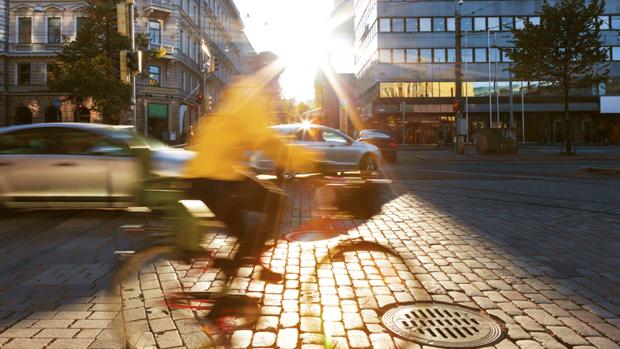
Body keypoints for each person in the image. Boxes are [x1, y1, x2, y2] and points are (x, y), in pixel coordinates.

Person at [182, 52, 319, 283]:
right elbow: (265, 140)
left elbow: (258, 138)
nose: (278, 85)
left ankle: (248, 262)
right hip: (213, 178)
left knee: (245, 231)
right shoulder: (250, 96)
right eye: (277, 78)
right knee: (278, 202)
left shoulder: (246, 92)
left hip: (215, 174)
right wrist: (309, 160)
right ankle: (237, 273)